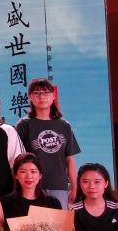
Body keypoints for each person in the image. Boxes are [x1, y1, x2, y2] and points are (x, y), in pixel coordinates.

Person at [15, 78, 81, 209]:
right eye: (36, 93)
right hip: (32, 186)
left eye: (46, 92)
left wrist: (74, 187)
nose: (41, 96)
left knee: (58, 222)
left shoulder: (64, 125)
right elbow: (18, 159)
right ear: (30, 97)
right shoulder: (24, 125)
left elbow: (70, 160)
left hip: (59, 186)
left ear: (53, 96)